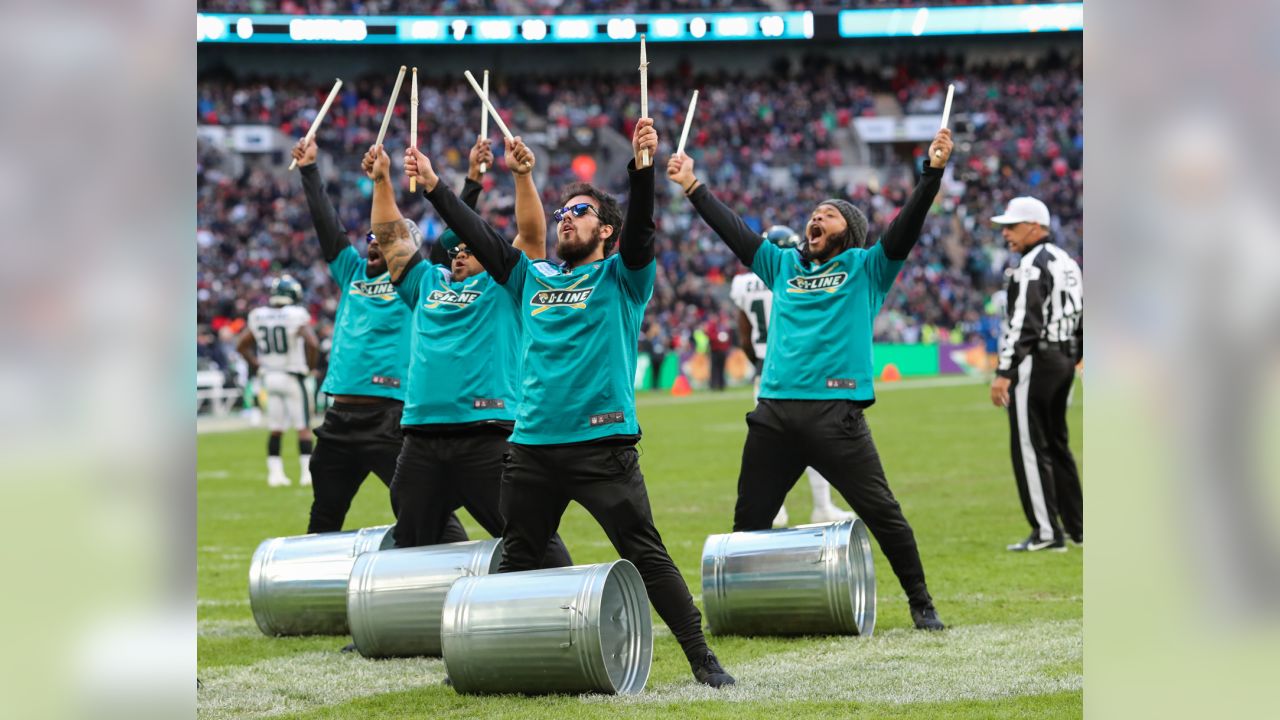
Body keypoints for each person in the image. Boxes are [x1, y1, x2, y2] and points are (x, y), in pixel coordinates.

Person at [406, 118, 736, 688]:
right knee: (515, 559)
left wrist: (643, 170)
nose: (564, 220)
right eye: (561, 214)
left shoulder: (623, 277)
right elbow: (481, 233)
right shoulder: (528, 277)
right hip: (531, 448)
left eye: (578, 212)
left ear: (605, 230)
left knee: (646, 554)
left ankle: (701, 657)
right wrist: (437, 185)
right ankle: (485, 658)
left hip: (601, 448)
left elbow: (642, 232)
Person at [667, 128, 955, 632]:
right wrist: (693, 187)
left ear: (851, 230)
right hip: (774, 412)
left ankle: (921, 601)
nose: (816, 217)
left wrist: (930, 174)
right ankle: (737, 610)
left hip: (836, 415)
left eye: (830, 213)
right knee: (748, 522)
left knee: (882, 512)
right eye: (814, 212)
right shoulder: (781, 265)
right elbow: (735, 232)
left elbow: (907, 225)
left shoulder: (868, 267)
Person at [363, 135, 571, 566]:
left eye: (469, 248)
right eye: (453, 250)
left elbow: (531, 235)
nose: (458, 255)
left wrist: (522, 176)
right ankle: (401, 632)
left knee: (526, 533)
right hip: (420, 438)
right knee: (411, 544)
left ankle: (569, 609)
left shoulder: (504, 284)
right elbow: (390, 238)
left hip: (485, 436)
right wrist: (382, 181)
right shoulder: (426, 283)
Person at [291, 136, 466, 542]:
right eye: (370, 238)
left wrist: (470, 180)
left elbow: (455, 234)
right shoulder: (351, 272)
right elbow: (326, 224)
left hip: (389, 420)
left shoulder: (414, 283)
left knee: (426, 508)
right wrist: (309, 169)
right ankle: (309, 600)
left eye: (382, 240)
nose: (374, 244)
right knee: (323, 517)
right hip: (339, 419)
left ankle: (460, 573)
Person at [730, 226, 857, 527]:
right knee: (818, 439)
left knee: (770, 445)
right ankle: (822, 506)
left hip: (766, 370)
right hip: (803, 367)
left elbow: (745, 336)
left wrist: (759, 364)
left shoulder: (743, 283)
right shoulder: (799, 273)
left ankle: (777, 509)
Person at [988, 196, 1083, 552]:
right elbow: (1081, 314)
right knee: (1058, 444)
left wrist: (1004, 371)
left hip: (1037, 362)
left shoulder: (1030, 265)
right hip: (1063, 359)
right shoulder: (1068, 262)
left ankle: (1046, 533)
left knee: (1029, 446)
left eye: (1012, 226)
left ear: (1035, 226)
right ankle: (1078, 527)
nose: (1007, 234)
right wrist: (1079, 353)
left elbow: (1023, 323)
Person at [236, 275, 319, 487]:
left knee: (275, 427)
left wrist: (258, 365)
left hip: (270, 376)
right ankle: (306, 474)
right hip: (292, 374)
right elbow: (312, 343)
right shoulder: (296, 314)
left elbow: (242, 345)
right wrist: (309, 368)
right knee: (303, 427)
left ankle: (275, 474)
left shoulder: (258, 315)